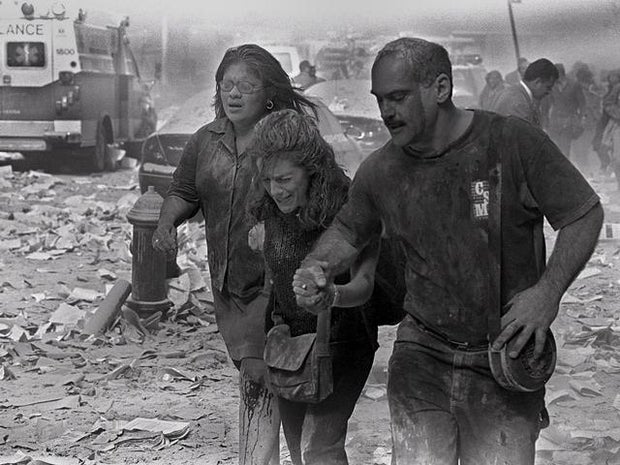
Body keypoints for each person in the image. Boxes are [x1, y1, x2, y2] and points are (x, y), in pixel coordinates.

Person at [293, 37, 603, 464]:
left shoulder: (511, 143)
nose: (386, 112)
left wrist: (547, 294)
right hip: (422, 355)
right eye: (380, 100)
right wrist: (317, 265)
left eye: (398, 97)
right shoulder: (381, 170)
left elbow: (583, 214)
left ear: (440, 88)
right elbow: (348, 231)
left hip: (502, 359)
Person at [152, 44, 317, 465]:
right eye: (227, 85)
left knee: (262, 375)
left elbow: (322, 199)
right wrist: (166, 223)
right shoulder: (205, 141)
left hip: (280, 284)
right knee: (271, 377)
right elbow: (183, 191)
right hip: (228, 285)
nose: (235, 94)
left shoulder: (289, 137)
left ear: (269, 92)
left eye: (247, 85)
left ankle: (266, 459)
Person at [247, 109, 378, 465]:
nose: (276, 190)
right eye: (268, 179)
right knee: (298, 450)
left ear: (312, 171)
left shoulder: (350, 208)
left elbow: (365, 285)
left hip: (343, 343)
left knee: (319, 448)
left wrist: (331, 295)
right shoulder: (270, 207)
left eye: (285, 179)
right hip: (289, 348)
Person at [492, 58, 559, 127]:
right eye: (548, 87)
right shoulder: (517, 102)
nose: (549, 92)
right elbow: (526, 136)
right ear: (537, 82)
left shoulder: (518, 93)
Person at [547, 63, 586, 159]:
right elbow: (547, 104)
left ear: (560, 73)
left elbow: (582, 103)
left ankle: (565, 170)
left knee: (565, 147)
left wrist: (581, 118)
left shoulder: (574, 84)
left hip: (569, 120)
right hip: (554, 122)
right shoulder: (551, 86)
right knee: (555, 148)